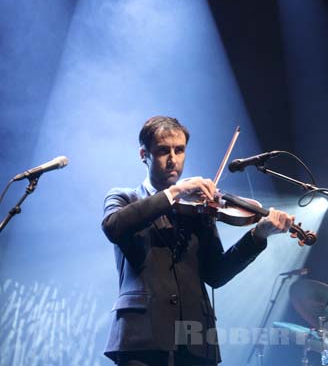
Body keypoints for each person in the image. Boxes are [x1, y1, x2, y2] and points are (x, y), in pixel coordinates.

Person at [102, 116, 294, 366]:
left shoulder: (199, 208)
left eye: (179, 150)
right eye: (163, 151)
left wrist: (257, 236)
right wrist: (175, 192)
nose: (173, 159)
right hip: (142, 339)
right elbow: (113, 227)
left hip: (197, 343)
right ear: (144, 154)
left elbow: (216, 274)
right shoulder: (124, 197)